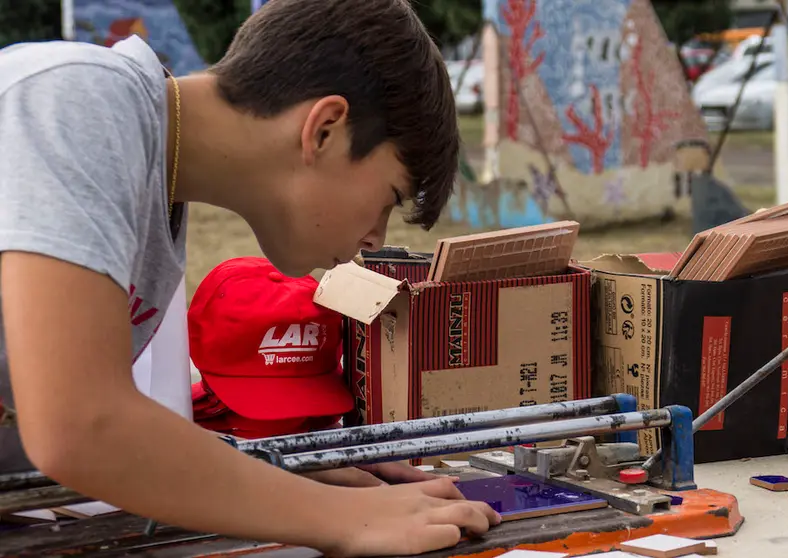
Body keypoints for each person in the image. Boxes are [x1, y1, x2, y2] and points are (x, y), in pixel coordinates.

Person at [0, 0, 500, 554]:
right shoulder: (76, 99)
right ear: (326, 129)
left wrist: (267, 474)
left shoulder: (154, 178)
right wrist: (340, 516)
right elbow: (80, 429)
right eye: (390, 199)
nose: (375, 239)